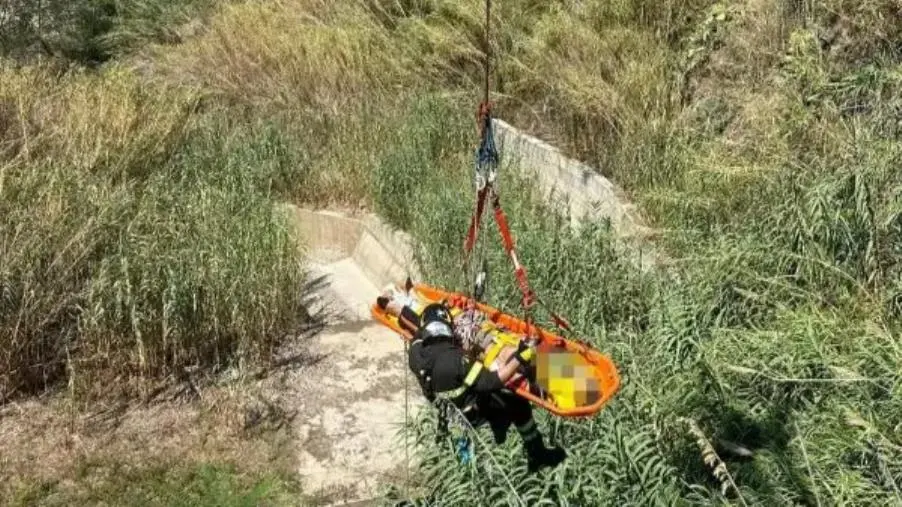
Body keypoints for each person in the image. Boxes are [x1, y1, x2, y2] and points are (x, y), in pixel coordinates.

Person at [406, 302, 567, 473]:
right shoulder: (458, 360)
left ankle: (501, 433)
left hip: (448, 413)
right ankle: (536, 453)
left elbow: (417, 334)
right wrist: (521, 357)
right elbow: (494, 381)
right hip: (471, 413)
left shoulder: (415, 354)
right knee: (516, 401)